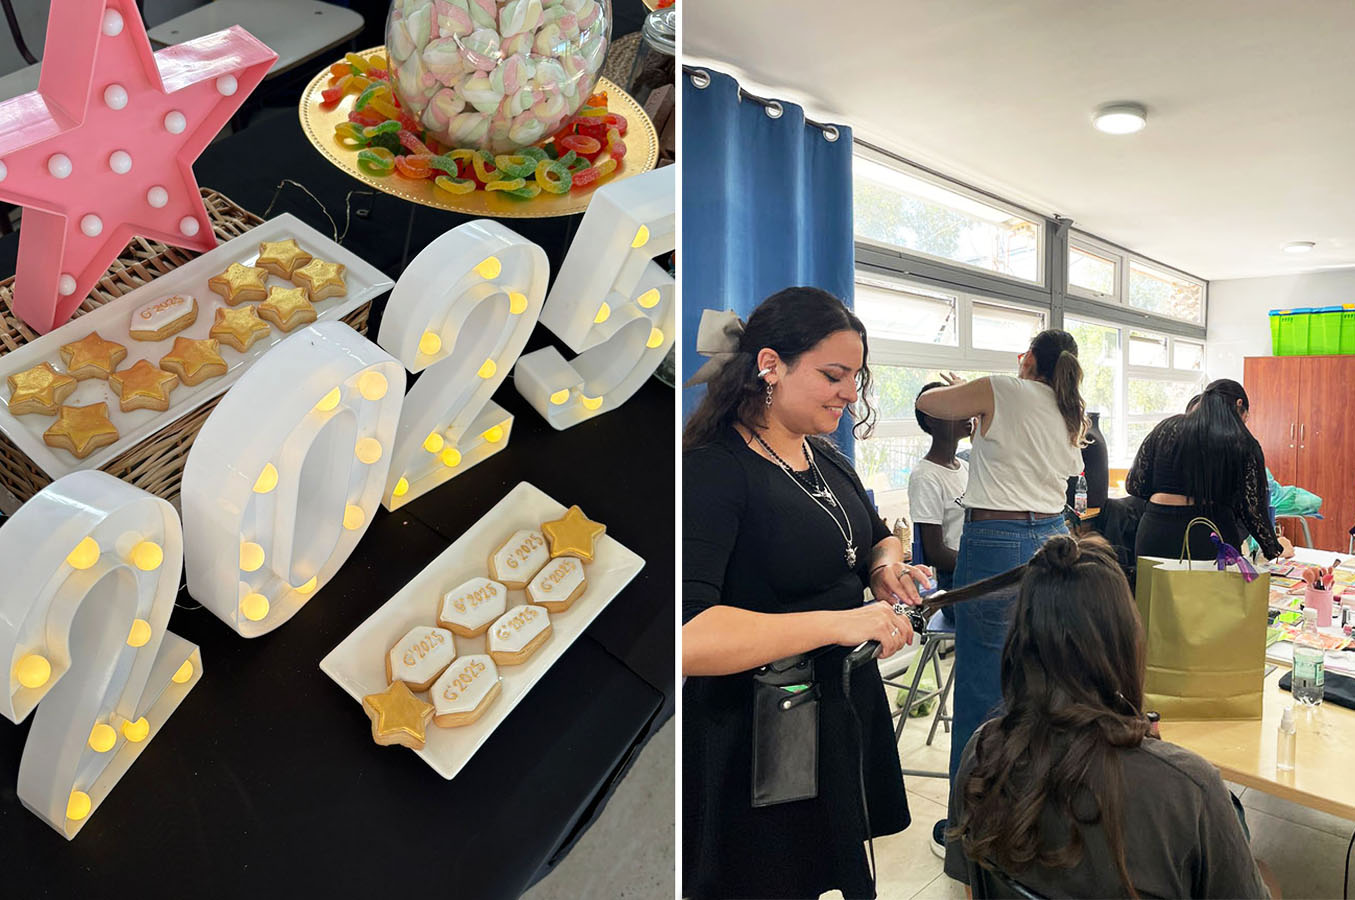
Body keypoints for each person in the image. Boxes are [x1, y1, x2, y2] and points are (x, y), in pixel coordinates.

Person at [682, 287, 932, 900]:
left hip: (837, 708)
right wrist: (842, 622)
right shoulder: (715, 471)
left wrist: (884, 570)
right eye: (833, 375)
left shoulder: (825, 457)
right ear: (771, 365)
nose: (850, 394)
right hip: (761, 729)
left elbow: (875, 538)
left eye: (856, 378)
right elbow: (689, 639)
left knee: (825, 868)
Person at [943, 533, 1270, 898]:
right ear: (1127, 639)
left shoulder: (982, 755)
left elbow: (971, 888)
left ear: (1020, 641)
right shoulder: (1189, 790)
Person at [913, 329, 1087, 856]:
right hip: (1054, 538)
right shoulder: (1070, 410)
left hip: (998, 542)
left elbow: (928, 403)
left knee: (982, 689)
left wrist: (960, 388)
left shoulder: (1002, 389)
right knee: (1039, 682)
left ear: (1028, 359)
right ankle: (1029, 819)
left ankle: (967, 835)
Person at [1128, 378, 1289, 561]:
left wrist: (1167, 495)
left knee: (1153, 581)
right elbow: (1252, 510)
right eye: (1245, 419)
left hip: (1155, 533)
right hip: (1208, 536)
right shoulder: (1242, 442)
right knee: (1209, 582)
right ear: (1239, 404)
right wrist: (1274, 548)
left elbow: (1134, 485)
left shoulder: (1166, 428)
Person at [909, 381, 972, 590]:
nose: (965, 414)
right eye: (954, 406)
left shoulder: (965, 466)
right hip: (956, 580)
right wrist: (979, 565)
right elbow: (934, 553)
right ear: (931, 419)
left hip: (975, 570)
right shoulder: (926, 476)